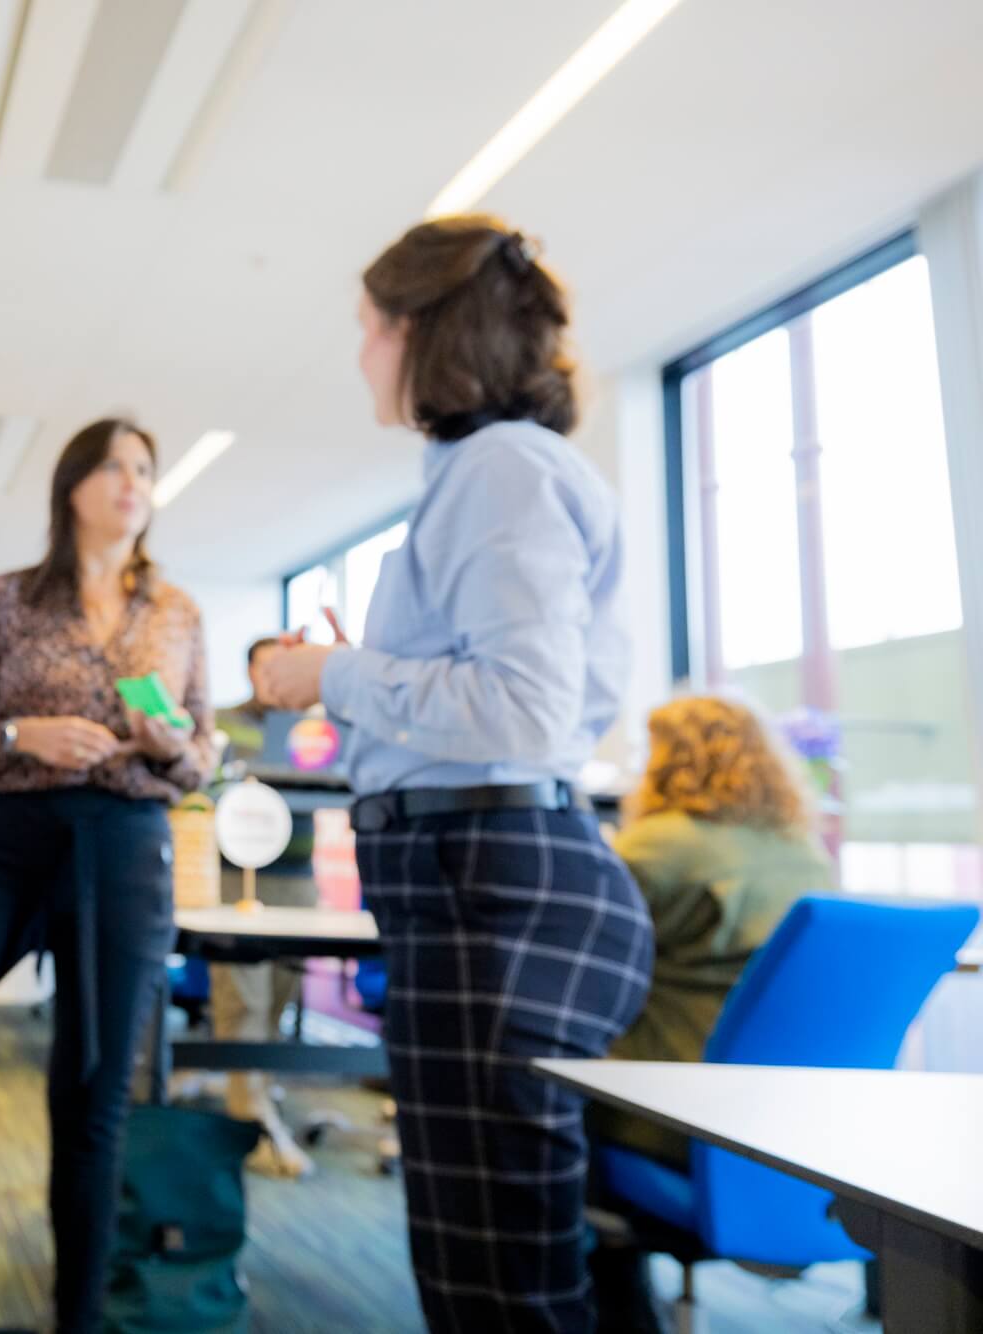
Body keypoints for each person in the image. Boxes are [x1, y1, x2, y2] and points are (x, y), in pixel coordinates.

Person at [256, 215, 655, 1333]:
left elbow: (519, 711)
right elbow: (506, 691)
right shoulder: (490, 471)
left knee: (495, 1286)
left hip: (491, 889)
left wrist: (334, 671)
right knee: (490, 1261)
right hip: (477, 881)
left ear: (420, 331)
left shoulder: (495, 469)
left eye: (368, 328)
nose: (359, 355)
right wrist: (355, 673)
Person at [0, 417, 216, 1334]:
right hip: (10, 835)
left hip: (129, 843)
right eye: (112, 466)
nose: (132, 482)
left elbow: (203, 755)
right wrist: (26, 735)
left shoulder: (177, 612)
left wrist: (175, 745)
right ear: (72, 486)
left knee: (93, 1093)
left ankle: (79, 1323)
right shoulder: (13, 598)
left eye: (146, 467)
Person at [586, 695, 836, 1328]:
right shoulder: (803, 853)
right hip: (794, 1125)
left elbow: (584, 958)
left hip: (665, 1114)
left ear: (670, 761)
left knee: (537, 1105)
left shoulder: (653, 848)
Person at [210, 635, 319, 1178]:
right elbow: (207, 783)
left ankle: (252, 1090)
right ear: (250, 671)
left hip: (299, 879)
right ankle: (250, 1119)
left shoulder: (315, 727)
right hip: (237, 877)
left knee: (279, 995)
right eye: (267, 666)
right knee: (242, 999)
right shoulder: (223, 722)